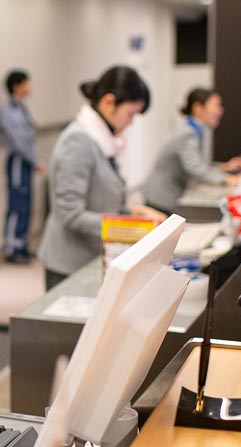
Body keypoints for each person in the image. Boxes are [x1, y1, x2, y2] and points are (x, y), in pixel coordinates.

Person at [38, 66, 165, 290]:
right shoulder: (77, 142)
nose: (131, 122)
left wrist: (136, 211)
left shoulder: (102, 141)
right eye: (130, 114)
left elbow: (105, 196)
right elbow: (71, 215)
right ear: (108, 102)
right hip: (70, 265)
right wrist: (133, 228)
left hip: (92, 258)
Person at [142, 88, 241, 214]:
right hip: (161, 198)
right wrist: (226, 179)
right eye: (216, 106)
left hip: (165, 195)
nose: (220, 111)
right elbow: (195, 167)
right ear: (198, 107)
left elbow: (198, 163)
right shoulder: (188, 133)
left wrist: (224, 167)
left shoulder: (195, 130)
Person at [0, 70, 45, 264]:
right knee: (17, 206)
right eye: (26, 83)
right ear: (17, 86)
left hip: (25, 162)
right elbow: (19, 142)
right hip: (18, 161)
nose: (30, 87)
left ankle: (22, 245)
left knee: (26, 206)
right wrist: (35, 160)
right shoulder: (9, 111)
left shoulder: (20, 108)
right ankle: (11, 248)